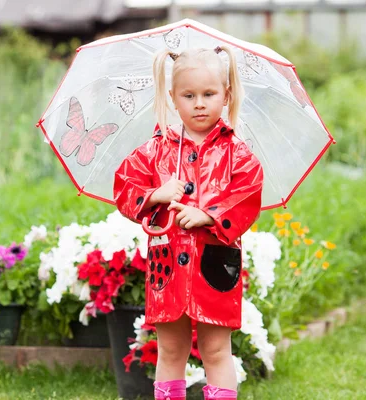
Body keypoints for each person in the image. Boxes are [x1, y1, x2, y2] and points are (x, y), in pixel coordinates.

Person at [113, 46, 264, 400]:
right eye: (189, 95)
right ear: (173, 99)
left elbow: (247, 191)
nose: (199, 103)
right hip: (168, 267)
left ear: (225, 95)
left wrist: (209, 214)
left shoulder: (236, 153)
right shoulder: (156, 150)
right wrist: (155, 195)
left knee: (215, 350)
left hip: (214, 266)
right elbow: (124, 185)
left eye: (209, 94)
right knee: (170, 350)